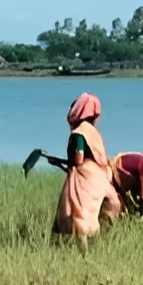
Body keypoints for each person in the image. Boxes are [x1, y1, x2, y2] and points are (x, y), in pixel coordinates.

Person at [53, 93, 115, 241]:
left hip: (84, 179)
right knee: (93, 214)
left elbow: (78, 159)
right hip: (100, 179)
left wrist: (61, 163)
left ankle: (81, 253)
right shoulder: (94, 133)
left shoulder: (79, 133)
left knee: (77, 214)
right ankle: (100, 243)